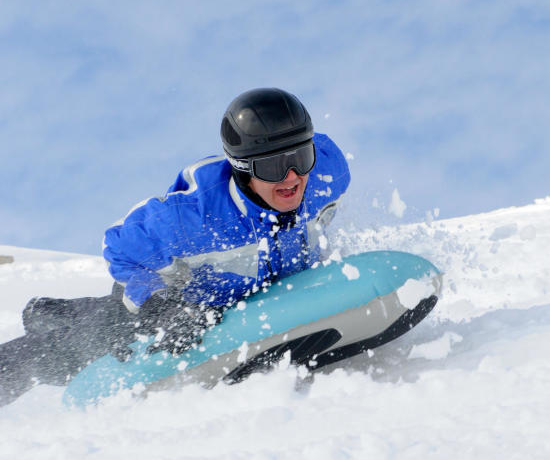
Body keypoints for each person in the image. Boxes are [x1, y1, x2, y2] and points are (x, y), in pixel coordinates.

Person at [0, 88, 351, 406]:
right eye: (273, 166)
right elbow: (119, 246)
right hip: (176, 303)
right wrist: (160, 307)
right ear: (244, 169)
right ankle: (46, 331)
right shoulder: (193, 218)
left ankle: (53, 311)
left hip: (252, 293)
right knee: (76, 347)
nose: (292, 176)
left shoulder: (327, 171)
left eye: (300, 157)